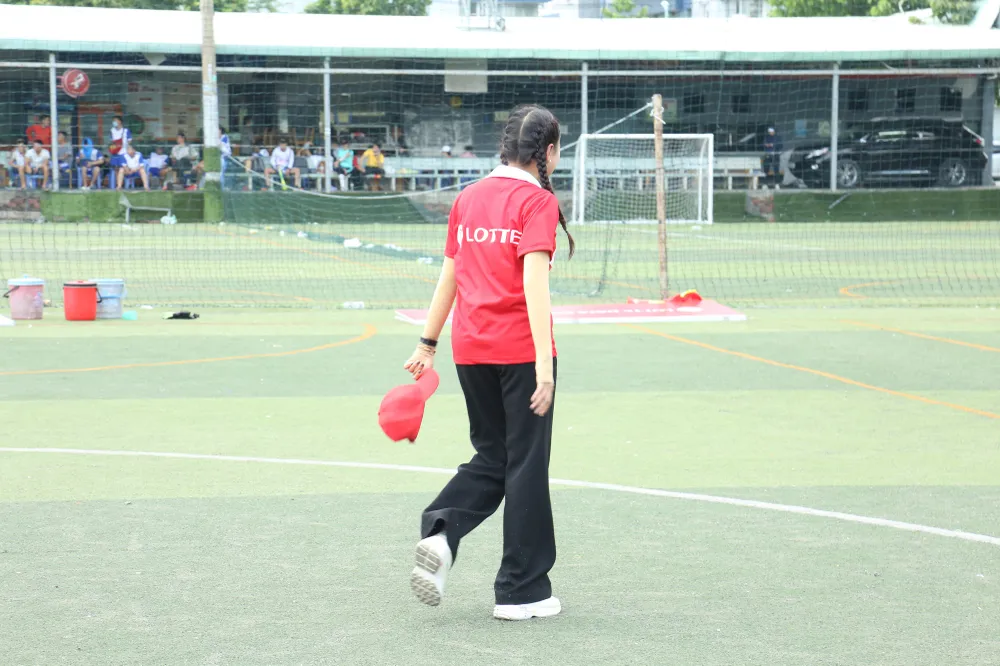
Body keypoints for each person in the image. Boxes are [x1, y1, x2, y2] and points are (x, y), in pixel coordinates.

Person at [403, 105, 575, 622]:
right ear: (548, 152)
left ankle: (441, 531)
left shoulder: (468, 197)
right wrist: (543, 367)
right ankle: (522, 591)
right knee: (525, 466)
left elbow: (449, 276)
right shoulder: (538, 201)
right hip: (521, 353)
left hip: (470, 350)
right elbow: (534, 285)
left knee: (493, 457)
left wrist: (427, 343)